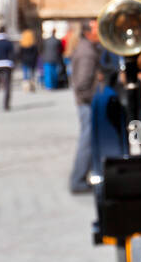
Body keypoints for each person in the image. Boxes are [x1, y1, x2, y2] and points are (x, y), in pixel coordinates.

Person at [68, 20, 101, 193]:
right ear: (89, 33)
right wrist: (95, 95)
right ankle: (78, 180)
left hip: (85, 101)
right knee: (86, 141)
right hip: (87, 103)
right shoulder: (87, 53)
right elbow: (82, 83)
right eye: (97, 30)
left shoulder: (85, 47)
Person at [39, 26, 64, 90]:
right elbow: (61, 50)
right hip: (55, 58)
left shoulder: (46, 40)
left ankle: (48, 86)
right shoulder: (57, 41)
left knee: (48, 73)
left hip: (47, 58)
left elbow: (42, 49)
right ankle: (54, 85)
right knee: (54, 73)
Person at [18, 28, 39, 93]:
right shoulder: (33, 45)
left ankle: (26, 88)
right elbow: (36, 54)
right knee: (32, 74)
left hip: (25, 61)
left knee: (25, 75)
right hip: (32, 61)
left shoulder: (22, 45)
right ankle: (32, 86)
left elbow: (20, 54)